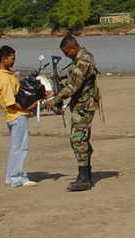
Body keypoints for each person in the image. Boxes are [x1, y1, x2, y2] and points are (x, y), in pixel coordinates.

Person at [43, 35, 100, 192]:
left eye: (66, 52)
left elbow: (74, 86)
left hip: (84, 105)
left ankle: (84, 178)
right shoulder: (80, 60)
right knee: (80, 139)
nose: (65, 55)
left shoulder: (83, 61)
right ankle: (85, 175)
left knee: (78, 139)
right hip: (81, 104)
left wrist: (56, 99)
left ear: (74, 48)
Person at [0, 45, 36, 187]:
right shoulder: (3, 78)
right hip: (16, 115)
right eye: (12, 58)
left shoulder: (5, 74)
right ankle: (16, 177)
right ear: (3, 59)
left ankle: (11, 176)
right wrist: (28, 107)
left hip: (13, 115)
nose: (14, 61)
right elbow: (10, 102)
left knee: (16, 147)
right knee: (20, 148)